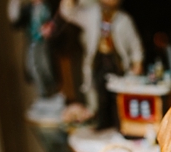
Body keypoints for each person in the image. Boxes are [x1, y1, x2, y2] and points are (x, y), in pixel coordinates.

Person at [58, 0, 144, 129]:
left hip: (116, 62)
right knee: (99, 92)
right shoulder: (92, 14)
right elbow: (69, 13)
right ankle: (102, 122)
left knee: (117, 95)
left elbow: (135, 44)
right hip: (98, 60)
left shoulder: (124, 20)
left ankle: (119, 123)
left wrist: (137, 62)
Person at [9, 0, 60, 102]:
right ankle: (43, 96)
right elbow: (16, 23)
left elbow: (60, 21)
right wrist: (14, 4)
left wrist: (51, 28)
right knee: (34, 68)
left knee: (47, 66)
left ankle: (53, 93)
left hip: (47, 45)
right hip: (33, 43)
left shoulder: (51, 6)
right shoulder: (28, 9)